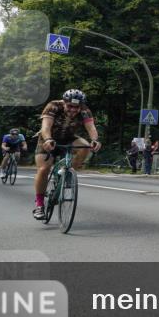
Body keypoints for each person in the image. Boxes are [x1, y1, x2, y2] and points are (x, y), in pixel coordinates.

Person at [33, 89, 101, 220]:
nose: (73, 110)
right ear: (64, 103)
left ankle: (68, 173)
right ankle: (40, 205)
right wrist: (47, 139)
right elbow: (45, 127)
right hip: (48, 139)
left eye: (77, 107)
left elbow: (91, 128)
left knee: (86, 146)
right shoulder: (53, 106)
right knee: (43, 169)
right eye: (70, 106)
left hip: (68, 137)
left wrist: (95, 140)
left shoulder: (85, 110)